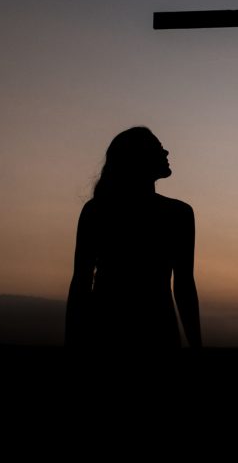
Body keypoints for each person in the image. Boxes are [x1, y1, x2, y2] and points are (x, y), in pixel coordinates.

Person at [66, 127, 202, 350]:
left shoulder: (96, 210)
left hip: (105, 332)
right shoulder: (178, 214)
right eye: (158, 148)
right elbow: (184, 286)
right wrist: (197, 345)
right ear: (140, 158)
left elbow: (81, 284)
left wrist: (71, 343)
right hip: (156, 332)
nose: (166, 152)